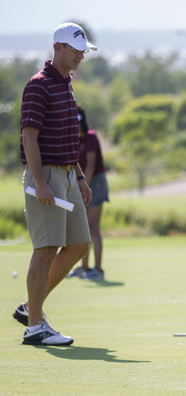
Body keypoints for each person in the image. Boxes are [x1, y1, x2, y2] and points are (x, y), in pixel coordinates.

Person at [13, 22, 97, 346]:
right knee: (46, 248)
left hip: (67, 173)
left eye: (83, 52)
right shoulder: (39, 85)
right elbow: (29, 136)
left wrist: (79, 176)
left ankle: (29, 307)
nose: (80, 56)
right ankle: (35, 326)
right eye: (75, 51)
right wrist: (39, 183)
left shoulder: (66, 84)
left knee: (78, 245)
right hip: (45, 174)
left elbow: (65, 139)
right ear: (58, 48)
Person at [66, 106, 109, 281]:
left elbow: (90, 165)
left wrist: (83, 187)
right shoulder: (77, 139)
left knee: (93, 227)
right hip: (87, 183)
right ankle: (84, 268)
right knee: (84, 228)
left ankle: (97, 270)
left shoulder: (90, 136)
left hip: (96, 182)